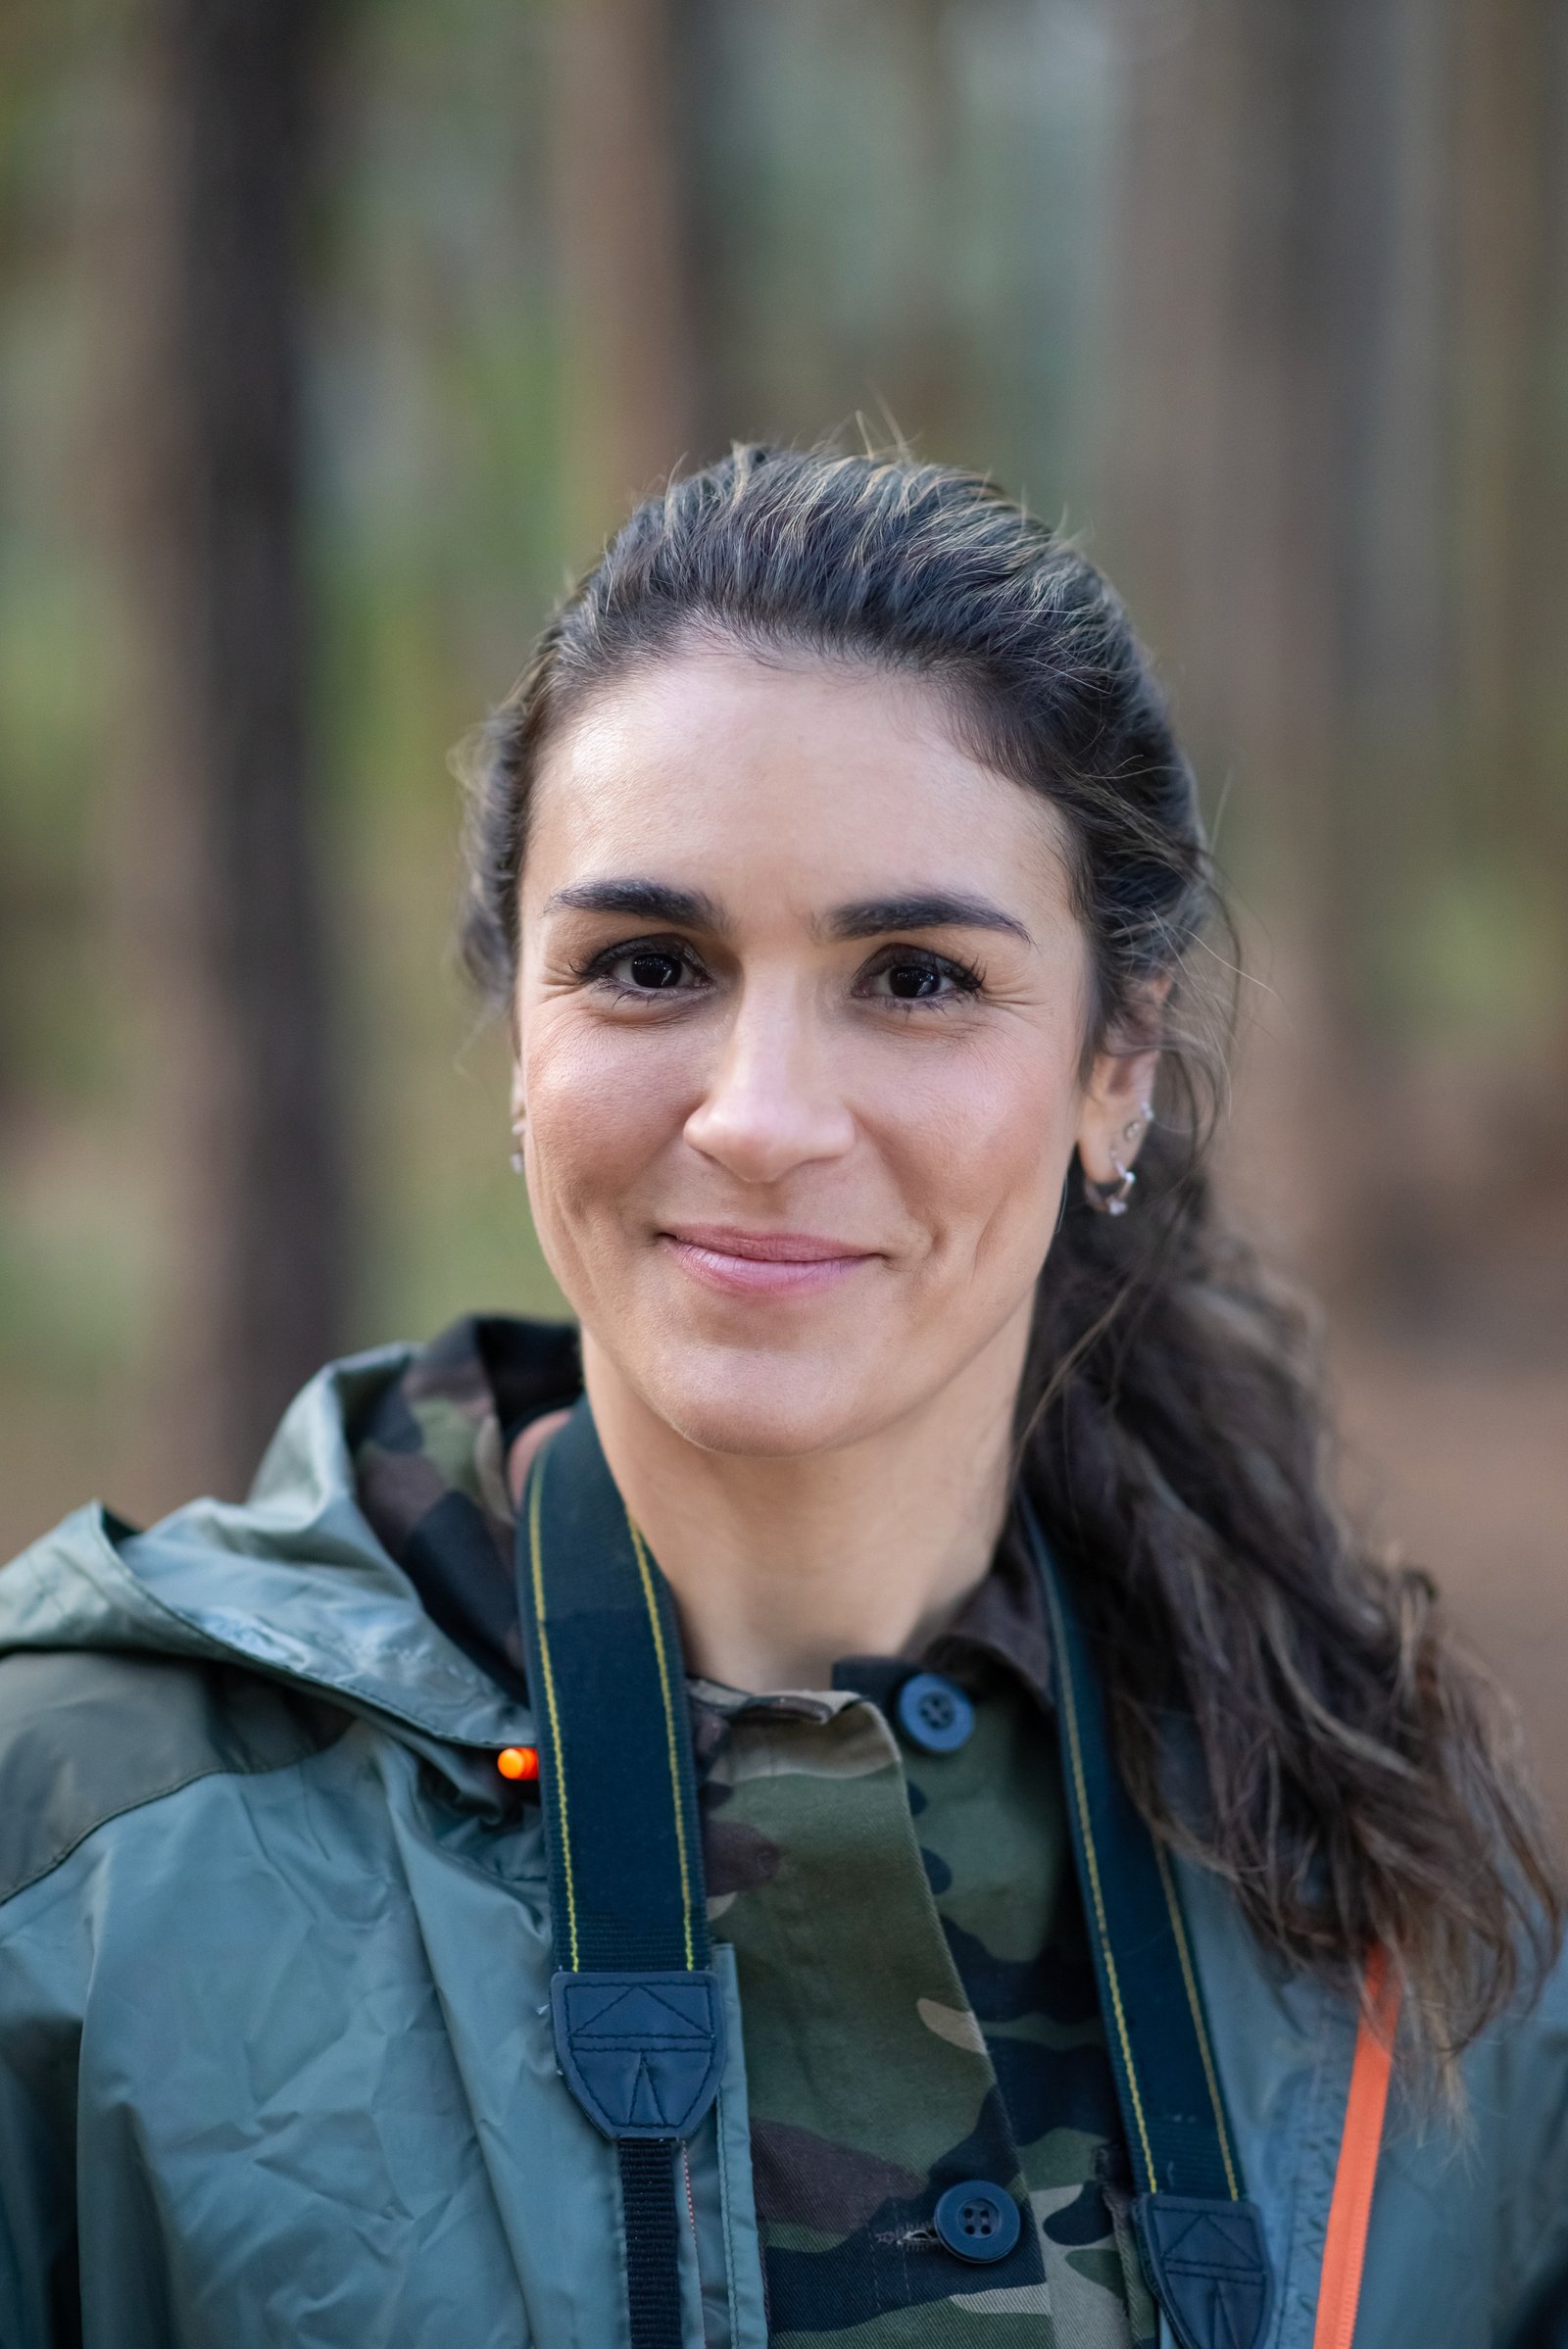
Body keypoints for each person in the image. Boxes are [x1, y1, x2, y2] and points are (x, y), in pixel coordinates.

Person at [1, 445, 1563, 2349]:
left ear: (1113, 1066)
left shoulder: (1393, 1916)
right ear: (519, 1038)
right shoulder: (78, 1849)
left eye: (911, 977)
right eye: (648, 963)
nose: (756, 1116)